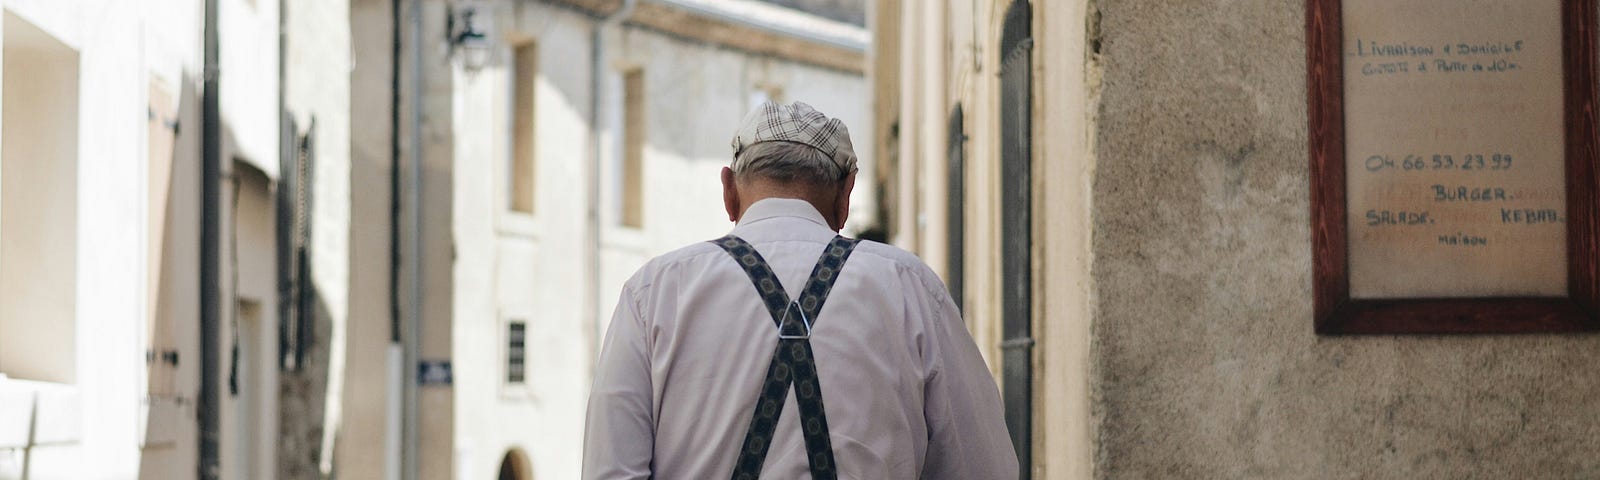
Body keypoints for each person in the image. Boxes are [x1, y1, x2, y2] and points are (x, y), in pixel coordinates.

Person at [582, 101, 1017, 479]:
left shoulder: (655, 292)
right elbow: (985, 468)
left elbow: (610, 470)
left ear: (729, 190)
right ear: (846, 194)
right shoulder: (909, 287)